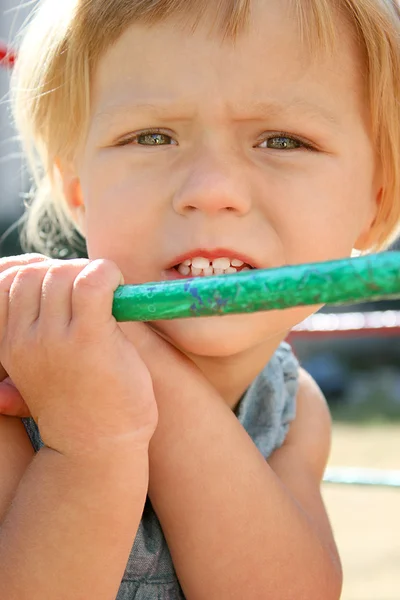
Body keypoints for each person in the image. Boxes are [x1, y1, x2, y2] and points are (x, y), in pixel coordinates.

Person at [0, 0, 399, 598]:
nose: (211, 190)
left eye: (284, 140)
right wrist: (87, 442)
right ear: (78, 188)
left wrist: (149, 366)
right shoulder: (19, 379)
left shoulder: (290, 410)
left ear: (376, 200)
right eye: (151, 136)